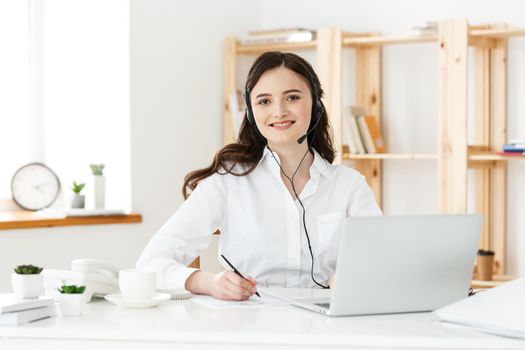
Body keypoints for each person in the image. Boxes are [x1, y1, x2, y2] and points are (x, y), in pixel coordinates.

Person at [137, 51, 381, 301]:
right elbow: (150, 263)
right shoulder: (228, 181)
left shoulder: (348, 185)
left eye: (293, 97)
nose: (279, 111)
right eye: (264, 101)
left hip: (319, 323)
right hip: (245, 321)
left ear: (316, 103)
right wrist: (208, 282)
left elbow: (383, 263)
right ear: (252, 113)